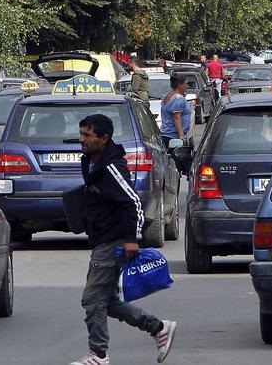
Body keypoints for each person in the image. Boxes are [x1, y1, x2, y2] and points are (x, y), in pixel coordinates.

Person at [71, 114, 176, 365]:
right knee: (106, 301)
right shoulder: (90, 162)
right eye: (81, 134)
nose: (81, 140)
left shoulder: (111, 167)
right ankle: (158, 327)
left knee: (93, 300)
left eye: (87, 135)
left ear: (103, 138)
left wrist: (131, 238)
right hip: (101, 238)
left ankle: (98, 355)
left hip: (113, 240)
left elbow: (132, 202)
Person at [160, 74, 193, 171]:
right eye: (186, 84)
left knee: (173, 168)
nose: (187, 86)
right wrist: (181, 136)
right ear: (180, 84)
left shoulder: (169, 96)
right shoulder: (178, 98)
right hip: (175, 138)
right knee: (179, 168)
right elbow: (176, 117)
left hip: (167, 136)